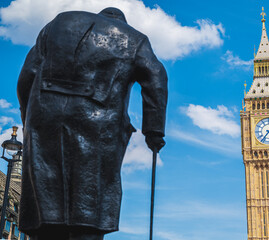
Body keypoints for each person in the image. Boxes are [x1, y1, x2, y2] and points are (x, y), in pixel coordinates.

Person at [17, 7, 167, 240]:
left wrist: (29, 120)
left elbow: (26, 76)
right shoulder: (134, 38)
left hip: (44, 117)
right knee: (89, 207)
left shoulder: (57, 24)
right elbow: (156, 77)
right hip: (98, 124)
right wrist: (154, 131)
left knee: (46, 202)